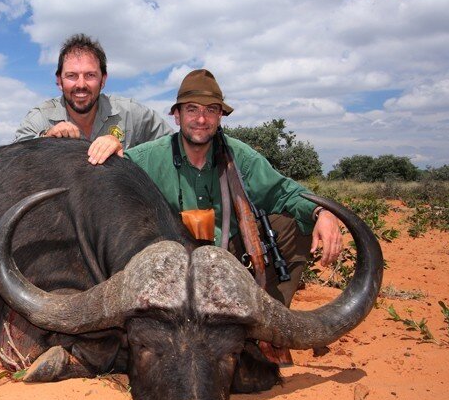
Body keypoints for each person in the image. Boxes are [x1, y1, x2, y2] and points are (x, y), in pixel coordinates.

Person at [124, 69, 342, 309]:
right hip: (168, 269)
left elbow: (285, 193)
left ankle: (269, 318)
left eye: (211, 110)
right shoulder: (147, 157)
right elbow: (108, 177)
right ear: (177, 116)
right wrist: (109, 146)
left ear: (220, 117)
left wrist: (322, 212)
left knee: (291, 223)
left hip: (230, 260)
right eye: (192, 109)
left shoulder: (240, 156)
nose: (201, 119)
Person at [15, 33, 173, 164]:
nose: (81, 84)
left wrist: (127, 156)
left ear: (103, 80)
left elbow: (173, 147)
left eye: (90, 75)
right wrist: (46, 139)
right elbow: (13, 160)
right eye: (72, 76)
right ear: (59, 81)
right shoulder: (39, 118)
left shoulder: (132, 113)